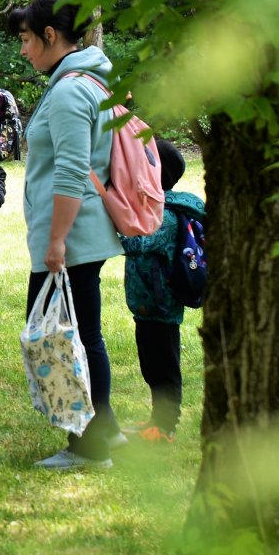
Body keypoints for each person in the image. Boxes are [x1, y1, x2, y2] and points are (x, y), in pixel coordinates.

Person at [6, 0, 123, 469]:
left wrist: (56, 240)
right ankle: (105, 430)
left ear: (50, 36)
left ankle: (89, 447)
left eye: (26, 39)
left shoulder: (72, 89)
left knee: (68, 338)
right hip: (77, 234)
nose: (23, 50)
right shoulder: (87, 79)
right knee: (81, 332)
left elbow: (73, 170)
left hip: (72, 237)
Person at [119, 139, 204, 444]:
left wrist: (112, 213)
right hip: (147, 307)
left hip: (162, 307)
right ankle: (157, 420)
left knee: (164, 369)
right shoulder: (152, 209)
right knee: (151, 366)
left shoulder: (163, 215)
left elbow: (135, 242)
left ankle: (166, 427)